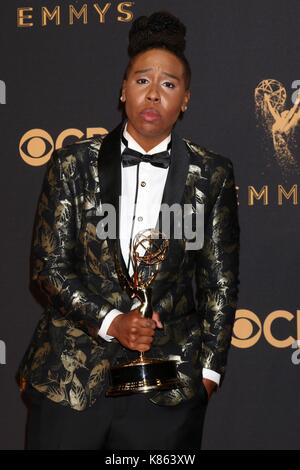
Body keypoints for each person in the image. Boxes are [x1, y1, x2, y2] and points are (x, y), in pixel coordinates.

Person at [17, 11, 240, 450]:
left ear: (186, 99)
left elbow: (220, 281)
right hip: (70, 381)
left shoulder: (210, 175)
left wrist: (208, 375)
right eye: (142, 81)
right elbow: (49, 268)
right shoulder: (72, 165)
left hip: (167, 390)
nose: (154, 94)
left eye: (169, 84)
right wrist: (113, 321)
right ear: (123, 90)